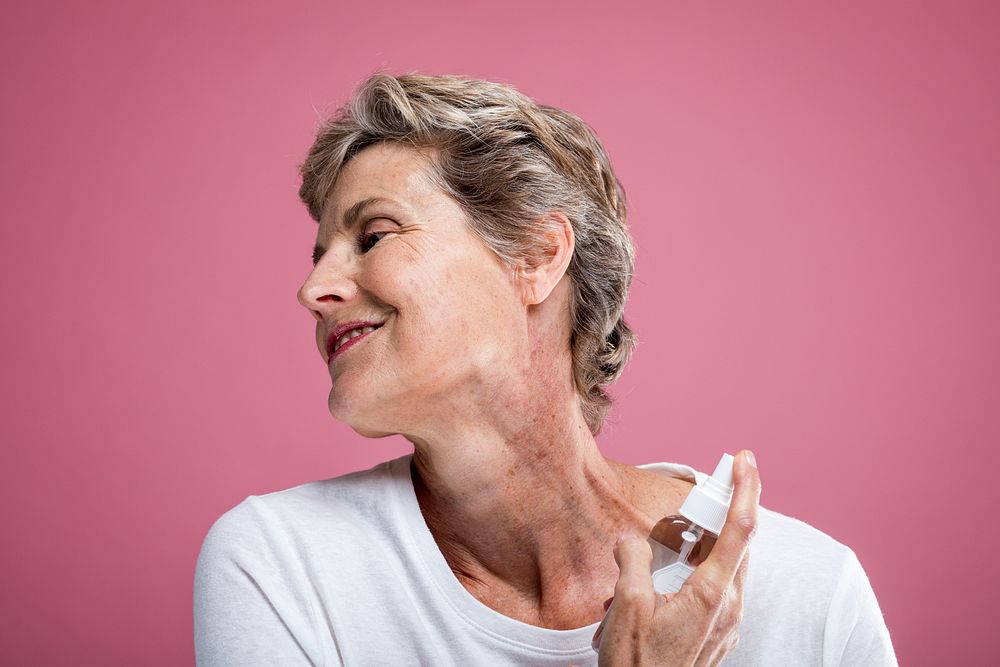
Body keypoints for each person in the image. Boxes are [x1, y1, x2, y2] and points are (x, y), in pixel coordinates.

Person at [194, 72, 897, 666]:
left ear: (535, 256)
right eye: (317, 255)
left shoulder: (809, 592)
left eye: (373, 234)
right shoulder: (281, 564)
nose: (313, 289)